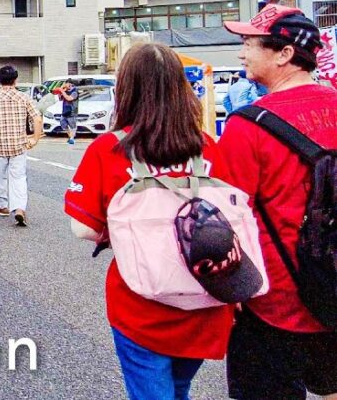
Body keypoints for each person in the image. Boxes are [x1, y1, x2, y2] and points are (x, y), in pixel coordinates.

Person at [65, 43, 237, 400]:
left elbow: (82, 228)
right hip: (206, 297)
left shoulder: (111, 148)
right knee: (177, 387)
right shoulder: (206, 146)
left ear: (125, 88)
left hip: (141, 303)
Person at [216, 4, 337, 400]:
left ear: (284, 54)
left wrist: (228, 289)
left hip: (274, 302)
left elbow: (224, 221)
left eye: (250, 43)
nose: (241, 52)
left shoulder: (247, 125)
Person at [0, 65, 43, 227]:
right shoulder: (23, 97)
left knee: (0, 176)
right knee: (19, 177)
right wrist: (35, 139)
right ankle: (19, 208)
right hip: (18, 145)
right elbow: (37, 119)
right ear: (15, 80)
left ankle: (3, 206)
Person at [58, 79, 80, 145]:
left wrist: (62, 91)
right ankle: (71, 137)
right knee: (63, 123)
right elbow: (60, 98)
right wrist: (61, 91)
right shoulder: (66, 91)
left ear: (70, 84)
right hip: (64, 111)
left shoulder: (75, 92)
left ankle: (72, 139)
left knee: (72, 126)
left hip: (72, 112)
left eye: (66, 83)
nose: (65, 85)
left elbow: (69, 98)